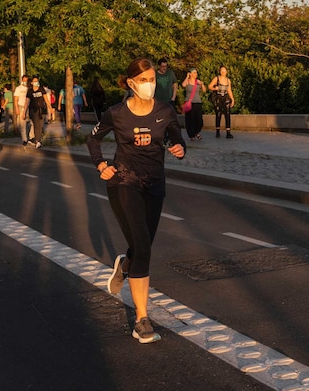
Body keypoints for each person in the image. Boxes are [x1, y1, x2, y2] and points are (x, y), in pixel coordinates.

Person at [87, 57, 186, 344]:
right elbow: (93, 140)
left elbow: (176, 136)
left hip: (154, 183)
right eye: (144, 80)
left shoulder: (165, 110)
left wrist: (179, 147)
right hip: (124, 181)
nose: (150, 85)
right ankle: (142, 319)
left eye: (153, 79)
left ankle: (126, 264)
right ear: (131, 83)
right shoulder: (116, 113)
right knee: (143, 245)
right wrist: (100, 164)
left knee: (143, 247)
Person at [208, 65, 235, 138]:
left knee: (227, 114)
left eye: (224, 70)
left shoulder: (228, 80)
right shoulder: (216, 79)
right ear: (220, 71)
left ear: (226, 71)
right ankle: (217, 131)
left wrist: (232, 99)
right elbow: (209, 86)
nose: (223, 72)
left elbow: (229, 90)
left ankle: (228, 132)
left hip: (225, 97)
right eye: (222, 70)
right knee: (218, 114)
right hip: (218, 97)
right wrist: (215, 88)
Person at [25, 76, 50, 148]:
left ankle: (38, 140)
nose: (36, 82)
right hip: (33, 110)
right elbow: (27, 102)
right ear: (32, 83)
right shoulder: (30, 91)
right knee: (36, 125)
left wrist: (50, 108)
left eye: (37, 81)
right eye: (35, 81)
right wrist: (24, 112)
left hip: (41, 109)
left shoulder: (41, 89)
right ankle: (37, 140)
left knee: (40, 125)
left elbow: (46, 99)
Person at [181, 68, 206, 141]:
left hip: (197, 102)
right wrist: (187, 77)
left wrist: (202, 84)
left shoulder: (197, 82)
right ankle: (191, 135)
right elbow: (183, 85)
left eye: (196, 73)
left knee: (199, 119)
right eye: (194, 73)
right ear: (190, 74)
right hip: (189, 102)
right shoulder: (187, 81)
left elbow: (204, 90)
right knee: (190, 119)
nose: (196, 74)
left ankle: (197, 132)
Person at [13, 74, 31, 144]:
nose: (25, 82)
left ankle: (28, 137)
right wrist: (17, 108)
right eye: (24, 80)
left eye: (26, 80)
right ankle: (24, 139)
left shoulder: (29, 88)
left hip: (29, 107)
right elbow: (16, 99)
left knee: (29, 123)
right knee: (20, 124)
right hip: (21, 106)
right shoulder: (19, 88)